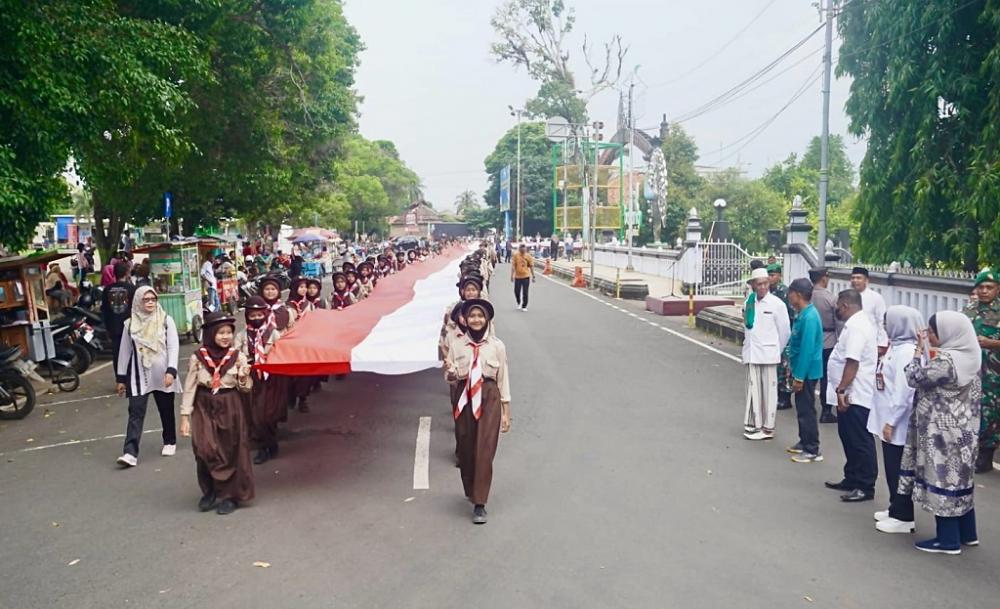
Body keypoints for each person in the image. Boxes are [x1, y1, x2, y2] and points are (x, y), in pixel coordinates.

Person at [900, 311, 982, 554]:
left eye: (934, 331)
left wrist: (917, 350)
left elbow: (914, 377)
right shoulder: (971, 354)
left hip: (942, 434)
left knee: (942, 478)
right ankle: (968, 533)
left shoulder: (946, 361)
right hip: (965, 430)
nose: (930, 335)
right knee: (961, 480)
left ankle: (947, 540)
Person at [179, 312, 254, 515]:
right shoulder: (198, 357)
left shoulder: (238, 357)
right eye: (221, 332)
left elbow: (246, 388)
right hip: (204, 404)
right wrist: (185, 416)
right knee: (204, 448)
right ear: (211, 333)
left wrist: (243, 377)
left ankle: (230, 496)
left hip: (230, 404)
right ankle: (210, 490)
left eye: (229, 332)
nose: (225, 337)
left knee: (230, 450)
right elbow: (190, 386)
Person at [445, 299, 511, 524]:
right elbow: (450, 377)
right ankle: (470, 487)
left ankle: (480, 502)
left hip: (489, 397)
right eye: (472, 316)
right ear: (465, 319)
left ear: (487, 319)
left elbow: (503, 378)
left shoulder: (497, 346)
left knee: (484, 449)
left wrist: (506, 410)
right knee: (465, 446)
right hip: (464, 397)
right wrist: (451, 374)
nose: (476, 320)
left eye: (480, 316)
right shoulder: (457, 345)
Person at [114, 286, 180, 467]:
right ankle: (130, 452)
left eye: (153, 299)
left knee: (166, 409)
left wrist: (171, 371)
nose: (150, 302)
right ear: (137, 301)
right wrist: (121, 378)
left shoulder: (166, 320)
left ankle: (169, 441)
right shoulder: (130, 325)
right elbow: (124, 351)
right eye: (146, 299)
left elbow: (173, 347)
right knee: (135, 411)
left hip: (162, 372)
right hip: (138, 374)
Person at [870, 306, 921, 534]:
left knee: (898, 468)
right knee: (891, 466)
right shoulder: (897, 347)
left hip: (898, 422)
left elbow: (904, 392)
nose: (884, 326)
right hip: (887, 418)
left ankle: (904, 516)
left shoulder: (906, 352)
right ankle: (894, 507)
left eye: (888, 322)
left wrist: (891, 421)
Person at [824, 289, 879, 502]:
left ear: (845, 305)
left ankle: (865, 485)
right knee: (847, 436)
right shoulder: (857, 323)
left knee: (859, 439)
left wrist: (842, 390)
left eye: (838, 305)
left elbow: (852, 362)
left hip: (854, 394)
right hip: (850, 392)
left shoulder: (857, 327)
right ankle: (852, 477)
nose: (836, 309)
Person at [741, 267, 791, 440]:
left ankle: (768, 428)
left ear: (768, 284)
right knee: (752, 390)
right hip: (751, 352)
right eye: (758, 284)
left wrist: (775, 350)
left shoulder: (777, 304)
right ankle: (753, 425)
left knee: (769, 393)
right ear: (753, 285)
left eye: (764, 283)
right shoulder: (749, 302)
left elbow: (784, 332)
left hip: (769, 354)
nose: (762, 287)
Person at [238, 297, 283, 465]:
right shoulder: (242, 335)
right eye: (252, 315)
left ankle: (271, 442)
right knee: (255, 415)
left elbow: (281, 352)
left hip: (270, 379)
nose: (256, 318)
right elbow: (236, 355)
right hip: (252, 378)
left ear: (265, 314)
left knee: (268, 414)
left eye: (259, 314)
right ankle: (263, 447)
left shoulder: (273, 332)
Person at [964, 267, 999, 473]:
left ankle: (986, 456)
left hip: (994, 373)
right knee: (971, 409)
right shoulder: (970, 308)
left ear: (998, 289)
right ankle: (973, 451)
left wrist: (991, 343)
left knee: (990, 413)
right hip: (971, 369)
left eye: (989, 287)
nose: (984, 291)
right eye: (981, 287)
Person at [785, 278, 824, 463]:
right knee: (801, 407)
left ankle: (812, 448)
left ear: (798, 295)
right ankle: (804, 440)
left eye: (790, 294)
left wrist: (799, 377)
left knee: (807, 408)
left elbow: (807, 349)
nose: (789, 297)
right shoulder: (803, 313)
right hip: (801, 368)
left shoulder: (810, 317)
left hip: (807, 371)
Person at [809, 267, 840, 424]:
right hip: (828, 340)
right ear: (823, 278)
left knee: (811, 374)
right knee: (826, 378)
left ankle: (807, 404)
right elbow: (838, 321)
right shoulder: (830, 298)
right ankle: (826, 411)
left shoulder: (807, 295)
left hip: (811, 339)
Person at [767, 263, 794, 410]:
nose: (770, 278)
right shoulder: (766, 292)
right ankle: (776, 394)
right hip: (771, 335)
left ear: (779, 275)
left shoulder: (784, 292)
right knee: (774, 365)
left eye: (773, 275)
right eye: (769, 275)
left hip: (784, 333)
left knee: (784, 366)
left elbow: (791, 315)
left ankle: (785, 397)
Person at [101, 262, 136, 373]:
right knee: (130, 352)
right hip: (129, 326)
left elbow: (105, 310)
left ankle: (119, 378)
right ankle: (129, 376)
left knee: (117, 353)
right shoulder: (132, 289)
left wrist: (107, 327)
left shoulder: (107, 289)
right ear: (126, 273)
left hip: (113, 326)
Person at [851, 266, 889, 352]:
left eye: (858, 278)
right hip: (852, 339)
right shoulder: (847, 296)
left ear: (866, 281)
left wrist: (881, 344)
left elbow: (881, 321)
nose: (855, 281)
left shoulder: (876, 298)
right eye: (853, 278)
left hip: (869, 342)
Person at [510, 243, 535, 312]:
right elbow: (513, 266)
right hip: (517, 276)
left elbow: (531, 266)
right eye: (521, 249)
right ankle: (518, 302)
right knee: (516, 291)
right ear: (519, 249)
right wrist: (512, 275)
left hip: (526, 276)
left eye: (524, 249)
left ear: (526, 249)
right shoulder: (516, 256)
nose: (523, 251)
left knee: (525, 292)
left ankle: (524, 305)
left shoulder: (528, 256)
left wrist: (533, 276)